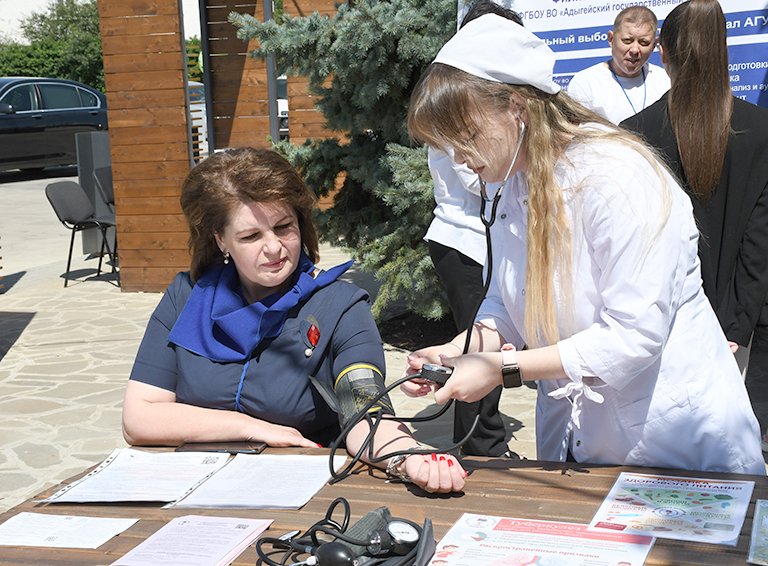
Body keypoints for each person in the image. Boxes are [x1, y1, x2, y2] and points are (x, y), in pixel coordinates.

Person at [403, 14, 765, 475]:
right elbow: (506, 302)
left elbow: (633, 336)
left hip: (676, 441)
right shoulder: (511, 181)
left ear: (517, 107)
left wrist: (501, 369)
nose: (458, 158)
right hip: (589, 440)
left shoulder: (616, 176)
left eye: (468, 137)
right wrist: (458, 350)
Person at [122, 147, 466, 494]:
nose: (273, 247)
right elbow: (139, 418)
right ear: (221, 240)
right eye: (251, 236)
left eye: (283, 227)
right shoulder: (185, 297)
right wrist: (251, 427)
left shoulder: (341, 305)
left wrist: (410, 456)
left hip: (299, 491)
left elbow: (366, 413)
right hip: (189, 487)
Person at [621, 0, 768, 444]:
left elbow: (635, 244)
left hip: (661, 325)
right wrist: (735, 329)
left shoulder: (636, 132)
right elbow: (759, 244)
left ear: (662, 52)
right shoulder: (760, 129)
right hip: (736, 328)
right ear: (724, 52)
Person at [425, 1, 524, 458]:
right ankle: (480, 448)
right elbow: (480, 179)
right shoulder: (459, 111)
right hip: (463, 243)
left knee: (478, 350)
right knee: (473, 355)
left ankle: (484, 442)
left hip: (478, 240)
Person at [567, 6, 670, 125]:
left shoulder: (665, 81)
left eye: (644, 42)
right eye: (627, 40)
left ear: (654, 45)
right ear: (611, 39)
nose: (635, 50)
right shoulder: (585, 83)